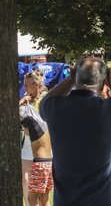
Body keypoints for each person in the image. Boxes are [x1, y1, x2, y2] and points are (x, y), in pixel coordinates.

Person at [40, 55, 111, 205]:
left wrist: (69, 80)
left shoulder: (55, 108)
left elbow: (44, 103)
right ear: (104, 82)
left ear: (75, 78)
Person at [19, 70, 50, 206]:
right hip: (29, 146)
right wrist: (25, 100)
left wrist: (23, 101)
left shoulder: (45, 100)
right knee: (25, 180)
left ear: (37, 84)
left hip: (43, 150)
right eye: (24, 85)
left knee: (41, 198)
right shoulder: (26, 103)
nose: (26, 88)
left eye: (29, 85)